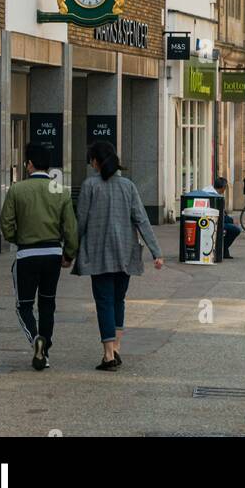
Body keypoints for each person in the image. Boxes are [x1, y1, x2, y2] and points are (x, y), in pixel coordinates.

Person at [75, 141, 164, 371]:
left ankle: (108, 355)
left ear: (95, 161)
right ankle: (116, 347)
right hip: (126, 252)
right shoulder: (128, 186)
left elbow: (81, 222)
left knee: (104, 302)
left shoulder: (90, 186)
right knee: (118, 300)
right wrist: (156, 252)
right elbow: (141, 219)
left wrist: (70, 250)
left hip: (99, 254)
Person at [0, 143, 79, 371]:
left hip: (27, 254)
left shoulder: (17, 190)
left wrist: (18, 238)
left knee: (24, 305)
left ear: (29, 165)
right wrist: (68, 254)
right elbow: (71, 228)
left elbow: (6, 223)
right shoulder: (60, 190)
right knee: (47, 303)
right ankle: (45, 349)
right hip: (53, 253)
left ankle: (36, 339)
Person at [200, 176, 241, 258]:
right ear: (223, 188)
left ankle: (223, 250)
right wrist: (232, 221)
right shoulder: (216, 197)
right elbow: (220, 216)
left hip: (204, 220)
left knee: (229, 226)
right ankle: (224, 249)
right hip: (212, 222)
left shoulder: (206, 191)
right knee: (236, 229)